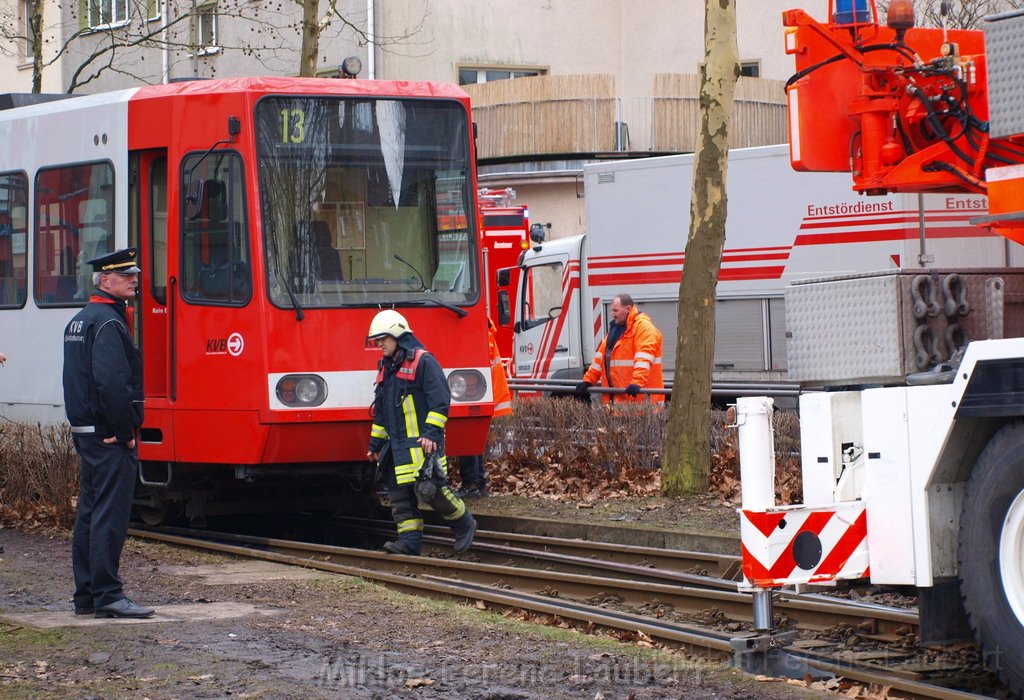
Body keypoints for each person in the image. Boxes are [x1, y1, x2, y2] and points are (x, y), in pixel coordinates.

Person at [63, 248, 153, 619]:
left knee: (89, 512)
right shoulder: (109, 323)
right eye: (125, 275)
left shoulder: (80, 321)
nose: (134, 279)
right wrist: (126, 432)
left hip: (86, 432)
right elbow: (113, 385)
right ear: (105, 280)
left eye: (134, 274)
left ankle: (86, 595)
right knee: (109, 516)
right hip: (108, 436)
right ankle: (108, 595)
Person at [365, 309, 476, 556]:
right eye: (377, 340)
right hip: (397, 448)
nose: (379, 344)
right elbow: (382, 411)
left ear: (397, 335)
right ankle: (409, 543)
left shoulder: (424, 361)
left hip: (423, 445)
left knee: (432, 491)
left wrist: (431, 433)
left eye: (382, 338)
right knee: (399, 497)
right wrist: (375, 444)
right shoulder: (386, 367)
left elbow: (440, 401)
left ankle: (463, 524)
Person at [575, 293, 665, 405]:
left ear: (628, 309)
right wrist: (588, 381)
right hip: (620, 400)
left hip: (641, 402)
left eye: (616, 311)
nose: (612, 314)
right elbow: (600, 360)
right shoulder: (616, 330)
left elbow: (643, 360)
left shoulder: (644, 328)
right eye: (612, 311)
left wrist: (637, 383)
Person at [458, 319, 512, 498]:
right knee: (473, 442)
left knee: (468, 441)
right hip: (484, 395)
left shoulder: (481, 336)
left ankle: (473, 484)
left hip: (478, 395)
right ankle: (477, 483)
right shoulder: (485, 333)